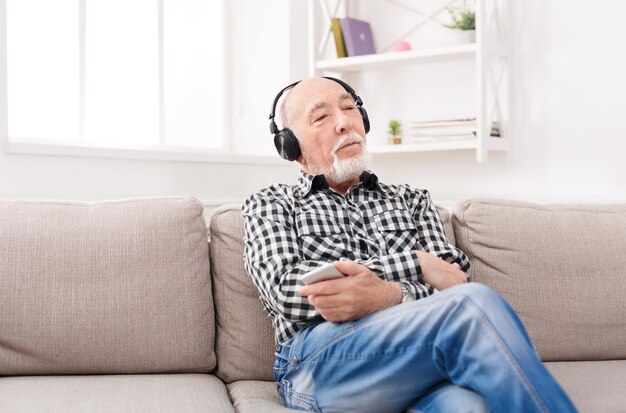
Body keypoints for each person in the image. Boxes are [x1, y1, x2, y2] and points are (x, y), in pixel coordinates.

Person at [242, 77, 577, 413]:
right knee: (471, 307)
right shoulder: (271, 204)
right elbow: (288, 291)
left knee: (470, 406)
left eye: (349, 108)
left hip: (412, 360)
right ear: (291, 146)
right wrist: (417, 264)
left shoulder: (412, 200)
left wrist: (390, 296)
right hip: (318, 364)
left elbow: (454, 283)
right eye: (321, 117)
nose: (345, 123)